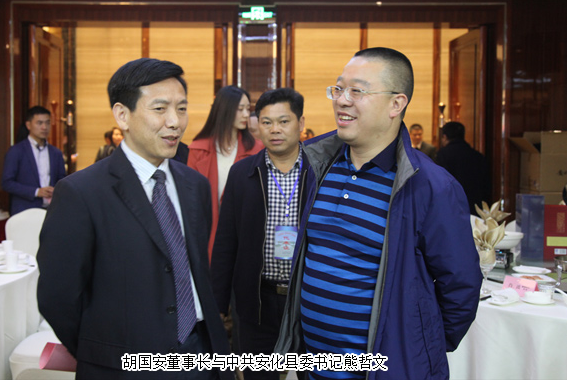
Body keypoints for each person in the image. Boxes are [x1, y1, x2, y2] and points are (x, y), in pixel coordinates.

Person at [275, 47, 482, 379]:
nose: (341, 100)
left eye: (357, 91)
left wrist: (415, 350)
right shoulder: (320, 166)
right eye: (338, 89)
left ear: (396, 104)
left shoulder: (429, 186)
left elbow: (460, 286)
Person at [37, 58, 231, 379]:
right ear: (122, 115)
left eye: (182, 109)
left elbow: (197, 271)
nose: (175, 122)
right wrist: (103, 353)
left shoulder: (194, 184)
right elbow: (58, 298)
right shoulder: (81, 192)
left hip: (201, 356)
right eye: (160, 109)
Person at [212, 88, 309, 380]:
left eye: (283, 121)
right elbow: (226, 241)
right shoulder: (243, 173)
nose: (274, 129)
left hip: (307, 299)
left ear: (301, 123)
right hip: (257, 300)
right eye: (266, 122)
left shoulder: (320, 172)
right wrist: (218, 303)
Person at [188, 85, 264, 258]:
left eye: (248, 109)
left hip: (245, 234)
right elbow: (190, 200)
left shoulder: (257, 149)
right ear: (224, 110)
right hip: (206, 234)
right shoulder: (198, 150)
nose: (246, 114)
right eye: (240, 109)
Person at [1, 106, 66, 216]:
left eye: (47, 123)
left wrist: (56, 190)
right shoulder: (16, 151)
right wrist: (36, 192)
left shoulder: (56, 153)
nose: (44, 127)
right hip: (25, 211)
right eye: (39, 123)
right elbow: (7, 183)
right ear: (28, 125)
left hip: (51, 211)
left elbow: (62, 179)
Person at [437, 121, 492, 214]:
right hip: (475, 207)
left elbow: (439, 183)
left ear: (445, 137)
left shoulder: (443, 155)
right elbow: (486, 186)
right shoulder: (478, 156)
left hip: (452, 207)